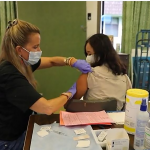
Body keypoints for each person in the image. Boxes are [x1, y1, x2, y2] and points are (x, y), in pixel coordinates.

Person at [0, 19, 92, 150]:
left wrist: (71, 61)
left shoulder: (21, 62)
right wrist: (70, 93)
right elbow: (47, 108)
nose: (39, 50)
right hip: (9, 141)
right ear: (19, 50)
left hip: (22, 128)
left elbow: (52, 61)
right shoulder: (9, 74)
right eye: (35, 47)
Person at [67, 33, 132, 111]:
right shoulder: (124, 77)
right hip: (115, 120)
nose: (88, 57)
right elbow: (129, 104)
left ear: (101, 53)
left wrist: (68, 94)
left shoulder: (88, 75)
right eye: (87, 54)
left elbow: (70, 103)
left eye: (90, 54)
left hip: (91, 120)